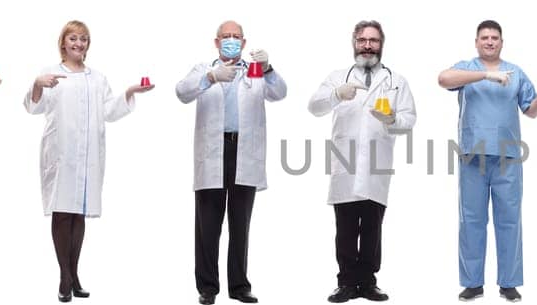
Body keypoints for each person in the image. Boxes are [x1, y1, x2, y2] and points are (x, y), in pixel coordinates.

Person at [436, 19, 537, 303]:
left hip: (507, 158)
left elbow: (531, 111)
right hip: (473, 155)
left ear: (501, 42)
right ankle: (473, 283)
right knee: (471, 220)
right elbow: (443, 79)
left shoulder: (516, 73)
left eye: (494, 38)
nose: (489, 42)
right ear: (476, 42)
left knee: (509, 221)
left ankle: (508, 283)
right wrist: (485, 77)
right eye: (484, 37)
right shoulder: (467, 68)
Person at [23, 20, 155, 303]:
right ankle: (64, 277)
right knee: (62, 212)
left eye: (83, 39)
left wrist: (130, 93)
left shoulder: (97, 78)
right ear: (63, 42)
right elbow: (34, 107)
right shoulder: (51, 74)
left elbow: (108, 109)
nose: (78, 43)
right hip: (60, 154)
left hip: (88, 155)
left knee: (79, 213)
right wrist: (36, 84)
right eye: (73, 38)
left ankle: (74, 273)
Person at [173, 20, 286, 305]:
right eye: (226, 36)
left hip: (244, 151)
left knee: (240, 224)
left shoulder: (256, 71)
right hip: (213, 151)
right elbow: (182, 92)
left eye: (236, 37)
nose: (231, 40)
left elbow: (280, 93)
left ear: (245, 43)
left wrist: (269, 67)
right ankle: (208, 288)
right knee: (208, 225)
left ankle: (239, 287)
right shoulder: (203, 69)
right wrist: (211, 77)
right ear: (216, 42)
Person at [307, 20, 417, 304]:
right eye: (362, 40)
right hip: (346, 162)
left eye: (374, 41)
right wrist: (336, 94)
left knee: (372, 226)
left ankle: (368, 283)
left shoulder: (396, 81)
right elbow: (314, 107)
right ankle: (345, 283)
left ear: (382, 44)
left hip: (377, 164)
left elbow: (409, 121)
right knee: (344, 227)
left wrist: (392, 118)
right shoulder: (337, 76)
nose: (368, 46)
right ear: (354, 42)